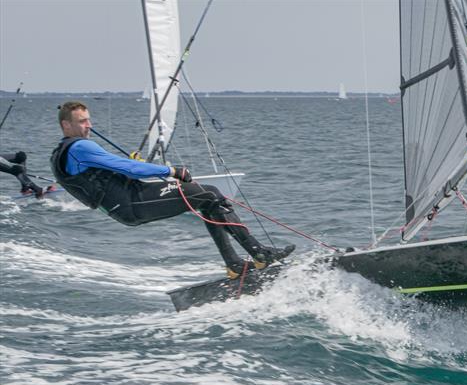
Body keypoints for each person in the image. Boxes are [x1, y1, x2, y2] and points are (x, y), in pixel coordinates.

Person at [51, 101, 293, 279]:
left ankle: (235, 263)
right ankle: (258, 253)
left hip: (129, 201)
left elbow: (118, 170)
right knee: (208, 196)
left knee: (206, 194)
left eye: (89, 120)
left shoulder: (66, 151)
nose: (89, 125)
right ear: (66, 125)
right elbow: (128, 168)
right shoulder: (80, 147)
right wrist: (171, 171)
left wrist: (142, 168)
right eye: (82, 121)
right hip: (131, 205)